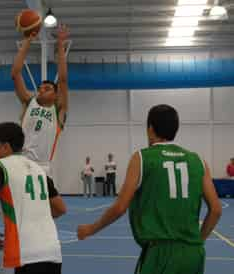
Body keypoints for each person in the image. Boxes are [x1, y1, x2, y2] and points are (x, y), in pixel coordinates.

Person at [77, 104, 222, 274]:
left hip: (159, 254)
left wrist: (91, 229)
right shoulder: (198, 160)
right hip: (193, 254)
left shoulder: (142, 158)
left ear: (150, 129)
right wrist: (198, 240)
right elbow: (216, 210)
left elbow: (120, 207)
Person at [0, 122, 64, 274]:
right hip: (52, 251)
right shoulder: (38, 169)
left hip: (25, 253)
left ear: (5, 147)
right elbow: (60, 208)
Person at [11, 24, 69, 177]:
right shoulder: (29, 102)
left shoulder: (59, 110)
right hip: (21, 163)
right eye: (40, 87)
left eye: (47, 88)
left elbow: (62, 79)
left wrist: (61, 45)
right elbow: (15, 73)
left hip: (43, 167)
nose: (41, 89)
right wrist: (27, 41)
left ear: (56, 95)